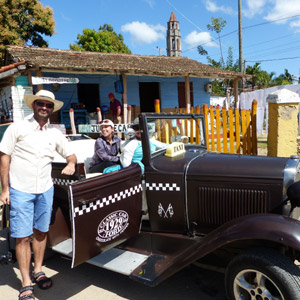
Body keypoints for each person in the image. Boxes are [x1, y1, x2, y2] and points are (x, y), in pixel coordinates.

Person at [0, 90, 77, 300]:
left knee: (41, 232)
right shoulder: (18, 127)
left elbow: (71, 154)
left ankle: (38, 270)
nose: (44, 107)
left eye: (48, 105)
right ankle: (25, 282)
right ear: (34, 105)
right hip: (20, 190)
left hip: (45, 189)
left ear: (52, 109)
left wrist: (71, 163)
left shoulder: (55, 134)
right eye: (41, 103)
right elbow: (4, 157)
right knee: (22, 237)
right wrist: (5, 189)